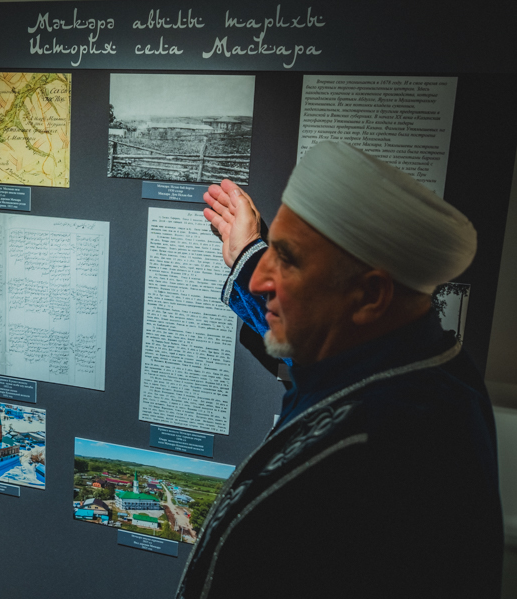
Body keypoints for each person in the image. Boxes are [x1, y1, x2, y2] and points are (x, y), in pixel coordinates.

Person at [176, 141, 502, 598]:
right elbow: (325, 348)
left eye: (286, 259)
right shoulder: (421, 367)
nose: (261, 279)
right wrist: (249, 251)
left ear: (369, 296)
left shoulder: (362, 453)